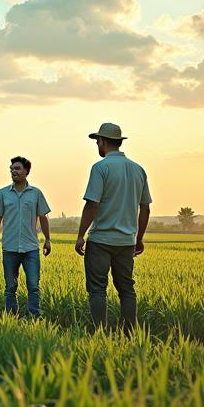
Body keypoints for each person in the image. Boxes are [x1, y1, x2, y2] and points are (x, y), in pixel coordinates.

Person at [75, 123, 152, 330]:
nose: (97, 145)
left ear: (102, 141)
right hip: (127, 242)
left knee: (98, 290)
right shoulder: (138, 169)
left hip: (101, 240)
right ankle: (128, 332)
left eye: (97, 141)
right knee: (127, 289)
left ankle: (100, 333)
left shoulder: (100, 168)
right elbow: (145, 208)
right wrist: (139, 238)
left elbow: (92, 204)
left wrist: (81, 235)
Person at [0, 156, 51, 317]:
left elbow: (43, 217)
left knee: (33, 285)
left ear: (26, 171)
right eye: (11, 169)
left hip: (31, 247)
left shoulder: (36, 193)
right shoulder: (2, 193)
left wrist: (48, 240)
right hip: (9, 247)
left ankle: (34, 315)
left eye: (17, 168)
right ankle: (10, 317)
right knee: (10, 287)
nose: (13, 171)